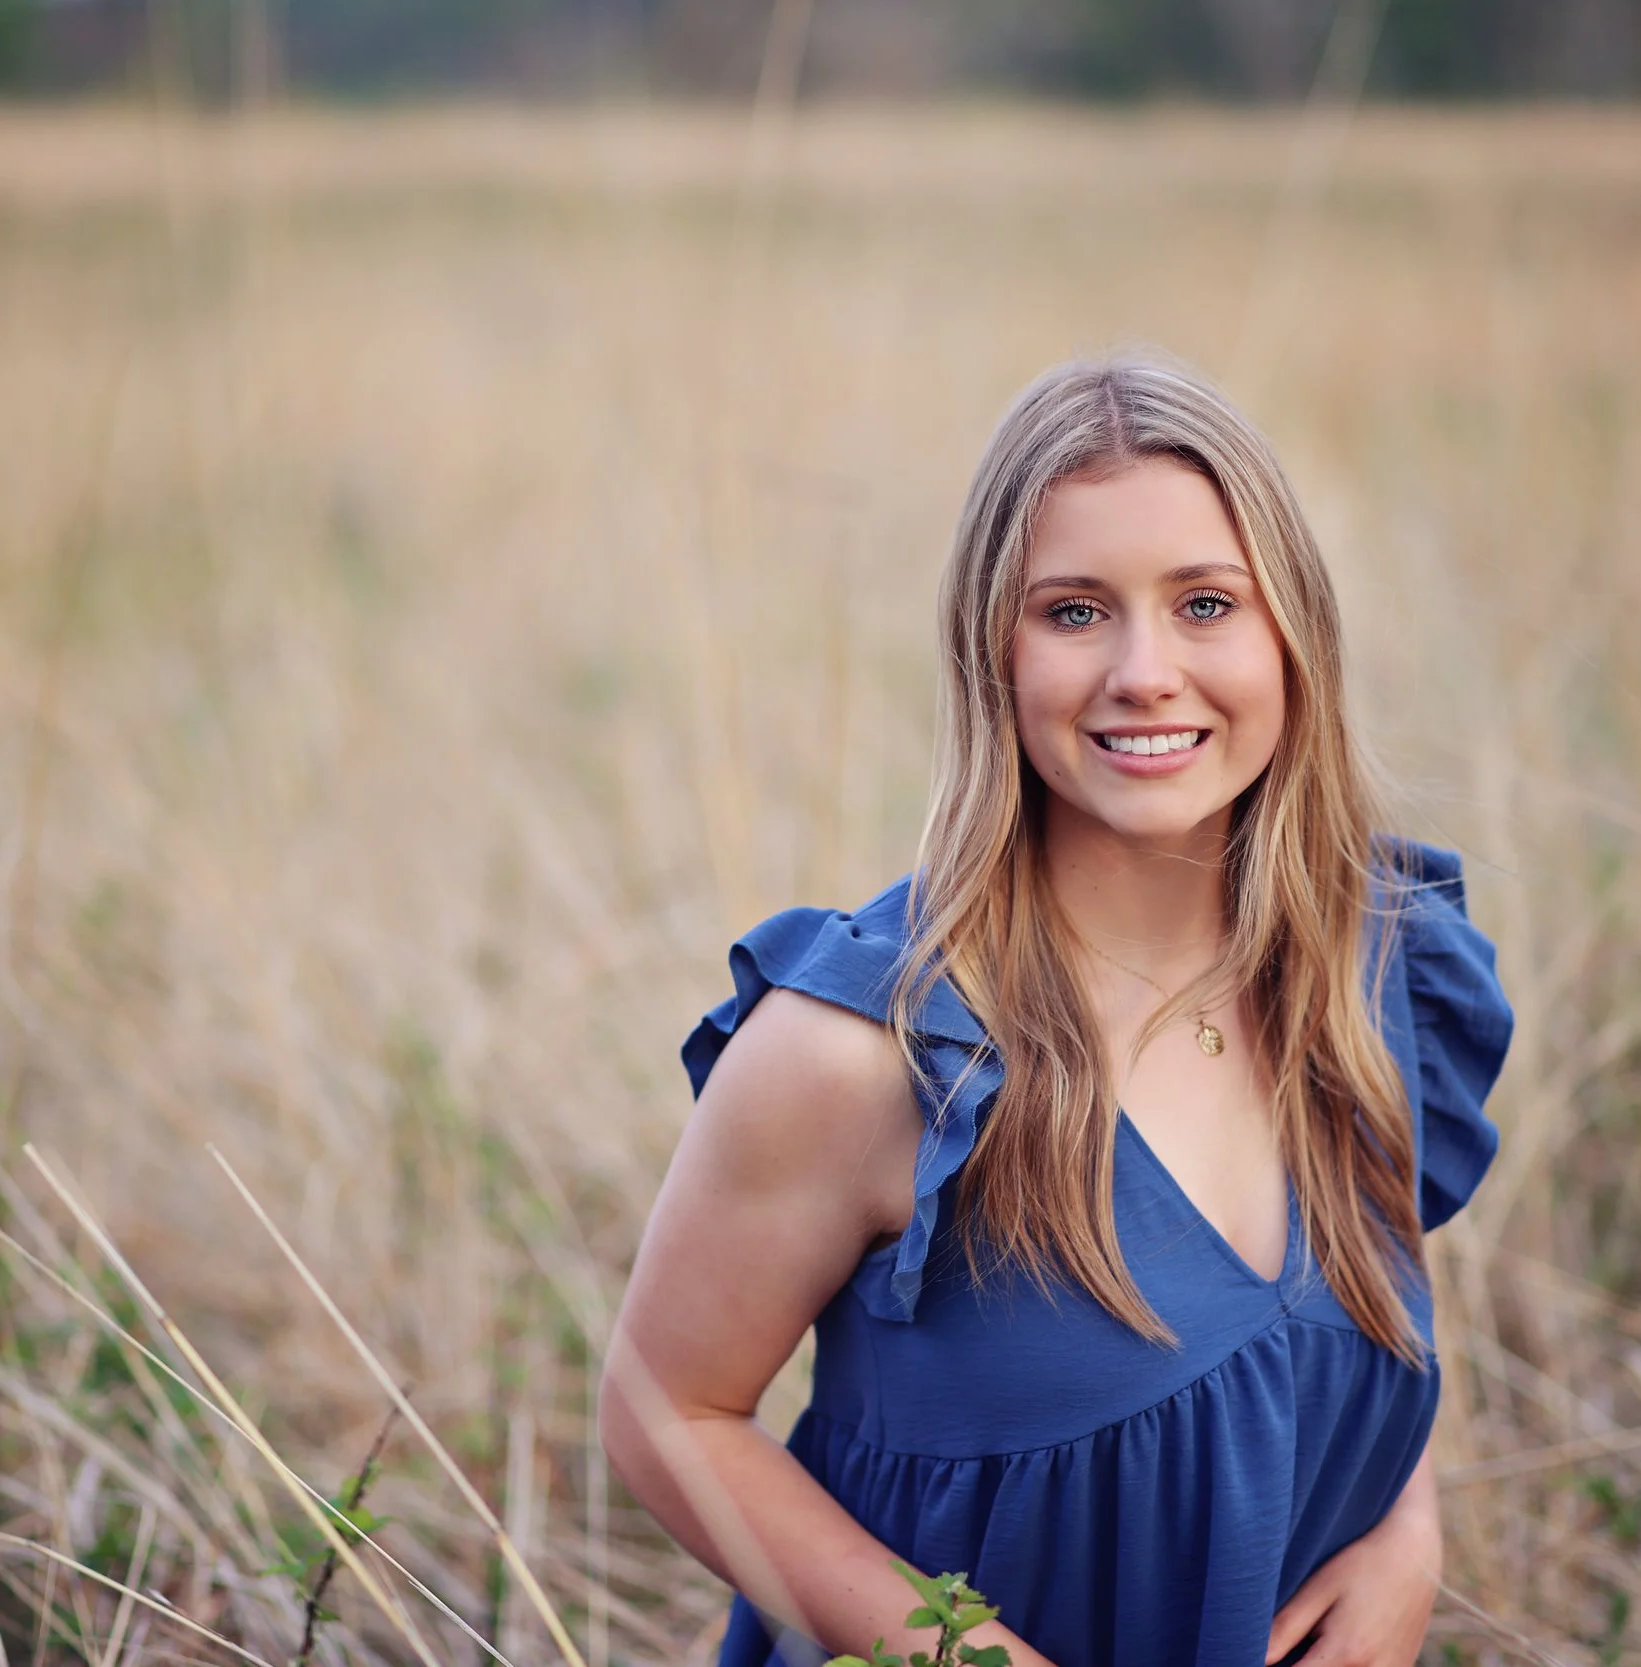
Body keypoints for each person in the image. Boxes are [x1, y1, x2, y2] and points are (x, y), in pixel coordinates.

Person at [599, 356, 1515, 1667]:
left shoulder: (1371, 970)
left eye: (1206, 602)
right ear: (993, 650)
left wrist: (1404, 1536)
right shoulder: (868, 1052)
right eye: (1075, 611)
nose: (1146, 671)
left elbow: (1355, 1335)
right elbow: (664, 1410)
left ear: (1291, 634)